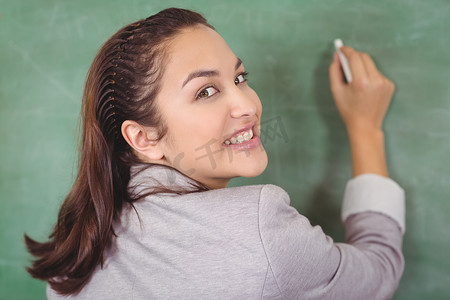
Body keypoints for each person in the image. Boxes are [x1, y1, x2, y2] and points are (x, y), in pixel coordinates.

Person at [25, 7, 405, 300]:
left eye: (240, 78)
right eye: (205, 91)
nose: (248, 105)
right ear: (143, 137)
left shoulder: (73, 249)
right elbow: (380, 272)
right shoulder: (258, 228)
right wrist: (365, 128)